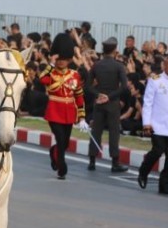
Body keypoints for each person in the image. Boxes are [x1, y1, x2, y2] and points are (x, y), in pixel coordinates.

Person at [39, 33, 88, 179]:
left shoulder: (74, 75)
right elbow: (42, 79)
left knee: (65, 143)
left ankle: (54, 151)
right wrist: (51, 64)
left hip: (69, 112)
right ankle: (62, 167)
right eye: (59, 60)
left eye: (64, 60)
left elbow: (79, 96)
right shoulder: (51, 72)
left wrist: (82, 117)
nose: (61, 62)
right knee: (60, 139)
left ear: (68, 60)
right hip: (54, 111)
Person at [137, 55, 168, 195]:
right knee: (158, 150)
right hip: (158, 124)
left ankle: (164, 185)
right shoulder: (155, 80)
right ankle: (143, 171)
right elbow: (148, 103)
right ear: (164, 65)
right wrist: (146, 123)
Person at [85, 37, 128, 172]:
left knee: (96, 131)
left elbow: (87, 86)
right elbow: (124, 86)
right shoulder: (119, 66)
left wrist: (99, 95)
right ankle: (115, 162)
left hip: (99, 102)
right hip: (113, 103)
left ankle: (92, 161)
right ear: (115, 50)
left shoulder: (96, 65)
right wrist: (109, 97)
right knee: (114, 133)